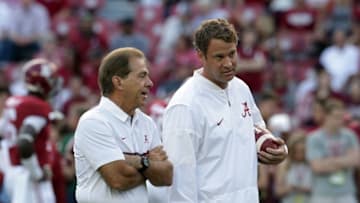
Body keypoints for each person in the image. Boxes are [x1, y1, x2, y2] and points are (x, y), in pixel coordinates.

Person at [161, 18, 288, 203]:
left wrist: (277, 150)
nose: (228, 63)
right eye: (219, 57)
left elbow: (256, 132)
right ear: (200, 55)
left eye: (232, 54)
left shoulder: (240, 88)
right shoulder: (185, 105)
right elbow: (179, 182)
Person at [73, 47, 173, 203]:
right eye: (142, 76)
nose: (150, 83)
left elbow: (166, 176)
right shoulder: (93, 122)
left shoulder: (147, 122)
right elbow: (119, 179)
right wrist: (148, 162)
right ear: (118, 82)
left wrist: (137, 162)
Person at [0, 58, 64, 203]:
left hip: (12, 172)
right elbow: (25, 141)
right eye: (51, 79)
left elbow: (4, 131)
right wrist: (37, 173)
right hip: (28, 175)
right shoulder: (38, 107)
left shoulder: (14, 101)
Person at [306, 98, 360, 203]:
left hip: (346, 193)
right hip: (322, 194)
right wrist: (345, 161)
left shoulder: (349, 136)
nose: (340, 121)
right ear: (326, 116)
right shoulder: (314, 138)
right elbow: (317, 167)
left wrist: (328, 161)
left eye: (341, 117)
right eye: (336, 117)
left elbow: (356, 161)